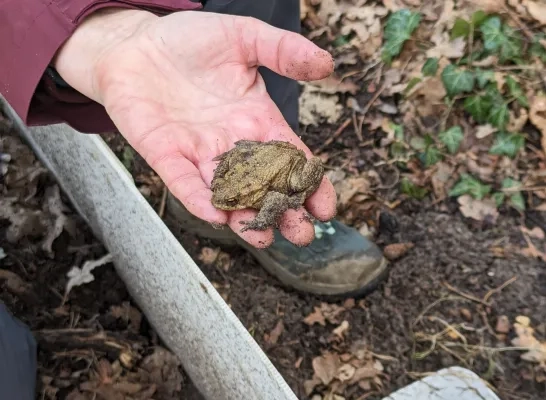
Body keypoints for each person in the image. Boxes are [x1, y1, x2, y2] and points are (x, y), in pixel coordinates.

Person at [0, 1, 388, 398]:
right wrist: (98, 37)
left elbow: (270, 195)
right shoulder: (234, 178)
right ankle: (213, 217)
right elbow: (238, 158)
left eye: (231, 195)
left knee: (279, 164)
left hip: (276, 164)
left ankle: (260, 224)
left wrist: (259, 214)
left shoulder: (252, 191)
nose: (228, 195)